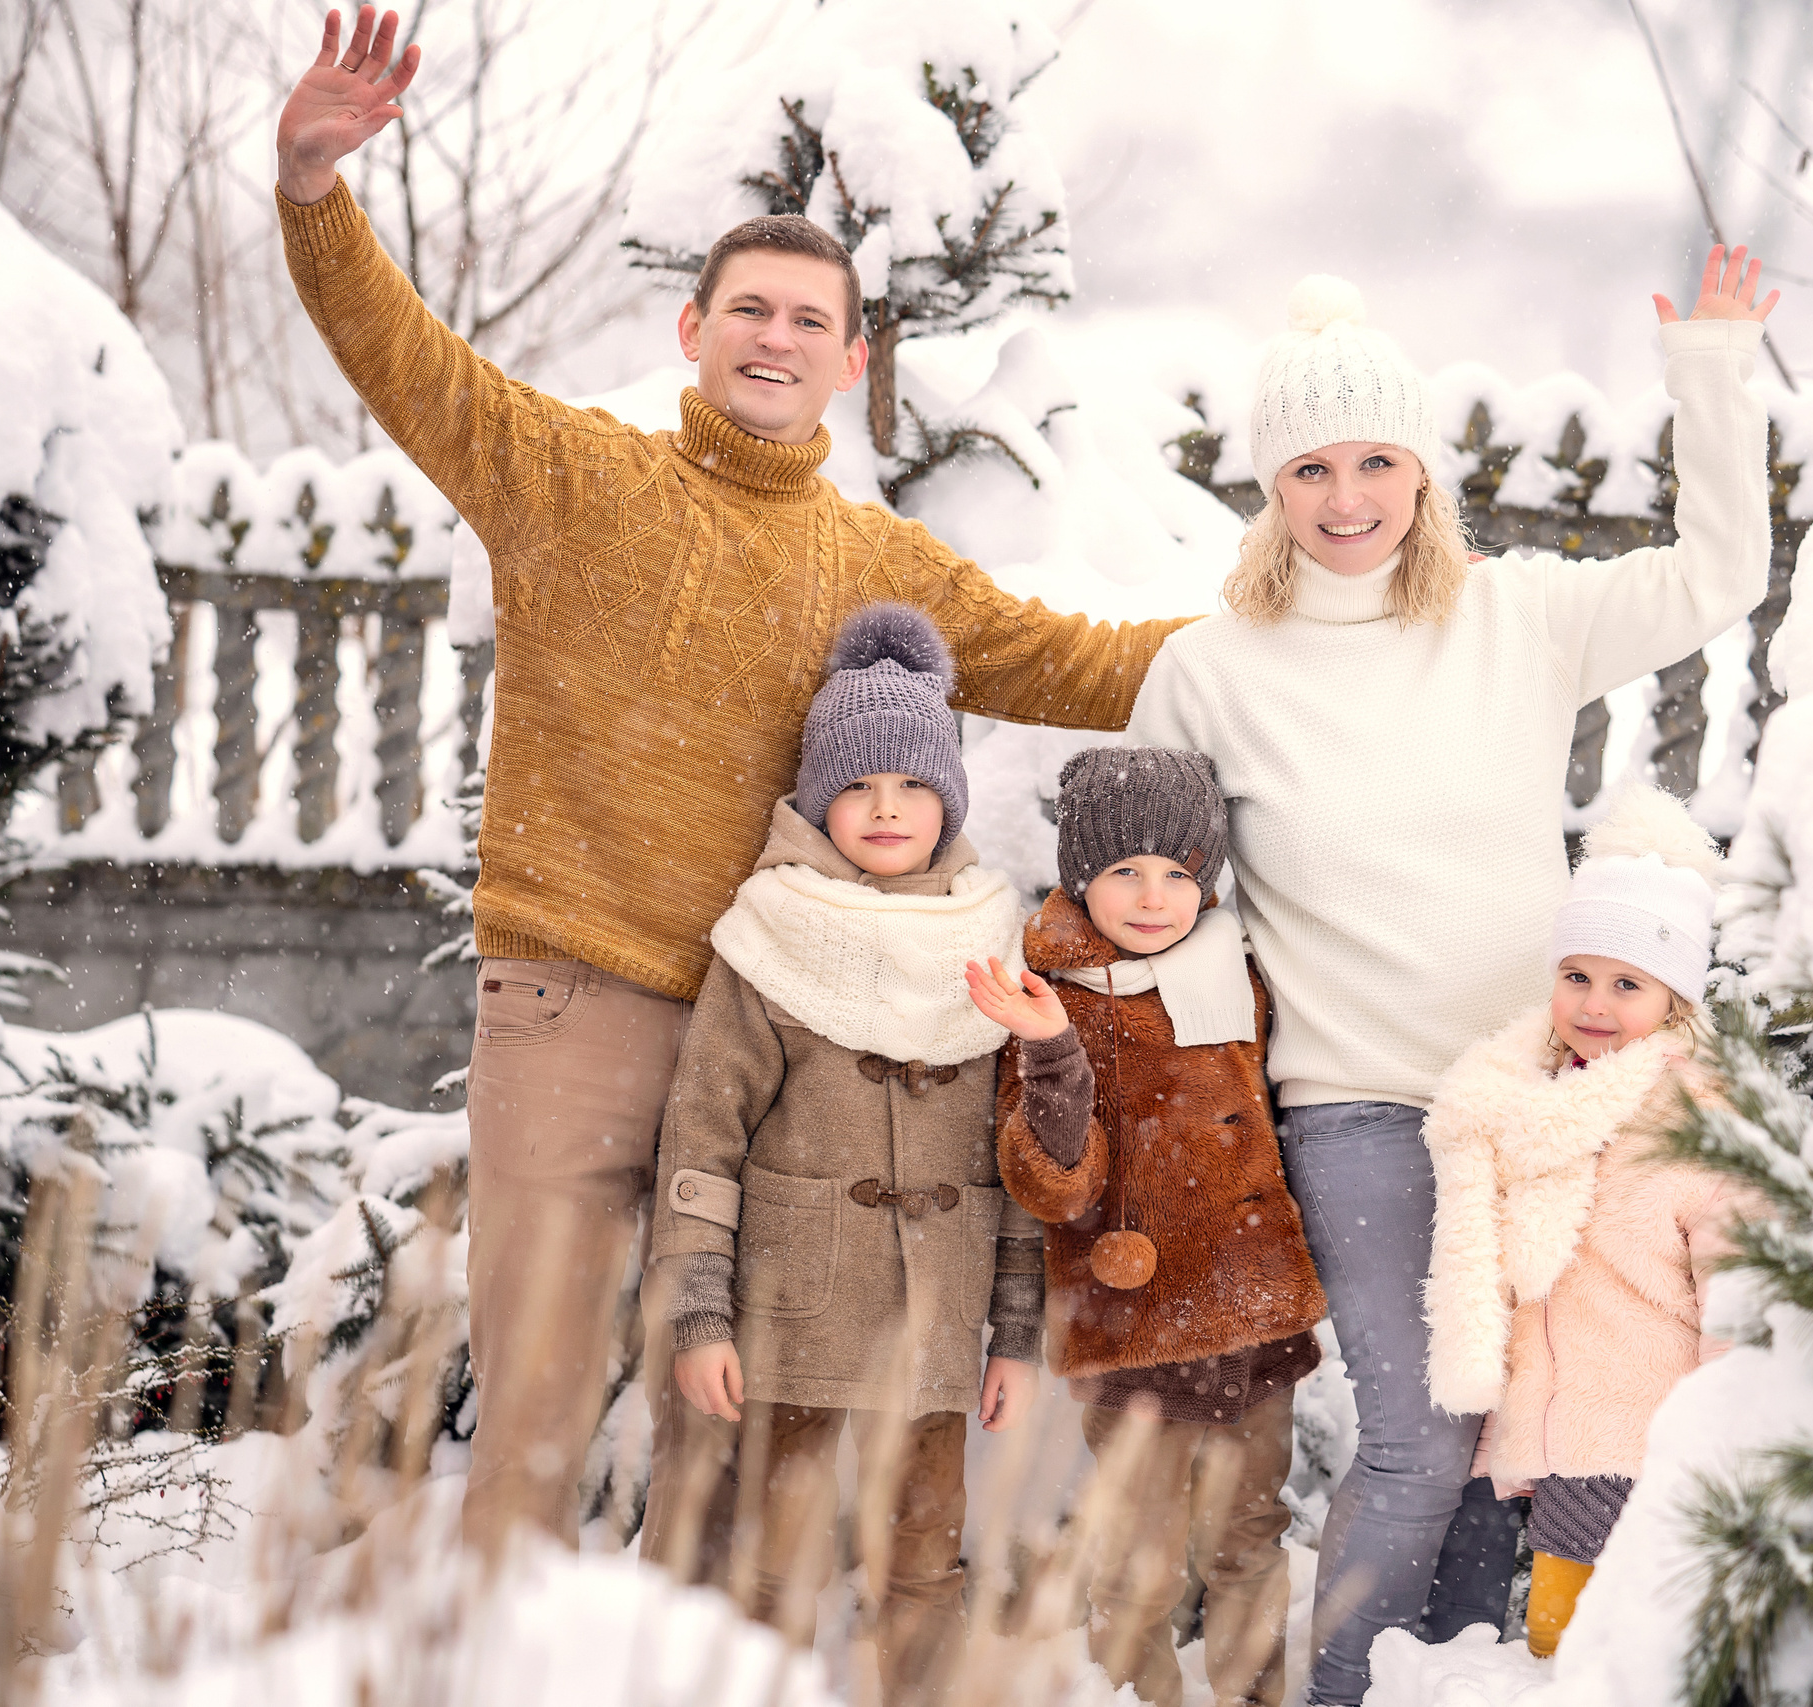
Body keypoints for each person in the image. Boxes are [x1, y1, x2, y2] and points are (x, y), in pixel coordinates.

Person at [271, 9, 1189, 1558]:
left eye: (806, 319)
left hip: (770, 1042)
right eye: (747, 308)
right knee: (542, 1420)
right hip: (571, 1003)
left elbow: (1076, 658)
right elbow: (405, 361)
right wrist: (312, 191)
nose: (775, 338)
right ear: (694, 331)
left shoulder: (875, 560)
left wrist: (1301, 623)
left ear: (853, 357)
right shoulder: (572, 478)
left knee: (716, 1452)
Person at [1122, 250, 1778, 1702]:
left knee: (1508, 1450)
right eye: (1309, 468)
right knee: (1421, 1435)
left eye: (1374, 460)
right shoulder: (1211, 669)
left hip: (1545, 1099)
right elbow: (1154, 907)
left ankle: (1467, 1680)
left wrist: (1716, 370)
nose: (1346, 497)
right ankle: (1349, 1684)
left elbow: (1723, 575)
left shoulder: (1518, 617)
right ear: (1268, 487)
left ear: (1422, 471)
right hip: (1356, 1107)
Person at [646, 604, 1040, 1705]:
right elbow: (702, 1141)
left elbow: (1016, 1172)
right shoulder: (770, 933)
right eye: (858, 787)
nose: (884, 810)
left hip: (937, 1318)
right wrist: (698, 1315)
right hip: (795, 1315)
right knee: (775, 1563)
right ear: (819, 798)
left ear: (948, 802)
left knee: (923, 1564)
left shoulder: (991, 937)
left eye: (913, 787)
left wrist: (1014, 1334)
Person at [968, 746, 1330, 1707]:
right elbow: (1054, 1182)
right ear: (1082, 876)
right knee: (1138, 1557)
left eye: (1178, 871)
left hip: (1252, 1313)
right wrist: (1050, 1055)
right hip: (1134, 1326)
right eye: (1124, 869)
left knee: (1250, 1536)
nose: (1154, 895)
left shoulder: (1242, 979)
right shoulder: (1051, 999)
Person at [1419, 786, 1758, 1658]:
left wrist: (1724, 1424)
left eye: (1626, 983)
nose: (1595, 1002)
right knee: (1557, 1636)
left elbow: (1741, 1280)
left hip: (1655, 1428)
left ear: (1674, 1000)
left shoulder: (1698, 1117)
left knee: (1648, 1639)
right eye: (1577, 975)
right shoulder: (1535, 1097)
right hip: (1569, 1433)